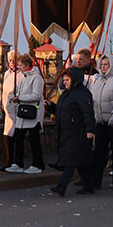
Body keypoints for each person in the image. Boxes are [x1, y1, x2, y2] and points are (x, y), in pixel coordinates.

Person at [47, 68, 96, 197]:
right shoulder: (66, 93)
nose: (65, 82)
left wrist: (90, 130)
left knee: (71, 161)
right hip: (67, 131)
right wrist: (50, 107)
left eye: (67, 80)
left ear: (74, 79)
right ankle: (89, 186)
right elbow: (61, 110)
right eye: (64, 80)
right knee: (81, 162)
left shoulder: (82, 93)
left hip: (78, 131)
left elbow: (88, 112)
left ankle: (61, 186)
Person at [89, 55, 113, 188]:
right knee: (98, 152)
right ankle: (95, 181)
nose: (103, 67)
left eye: (106, 65)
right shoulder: (97, 80)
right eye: (102, 64)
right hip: (100, 122)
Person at [7, 55, 46, 174]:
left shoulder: (37, 78)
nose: (19, 67)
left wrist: (20, 98)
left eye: (20, 65)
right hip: (23, 113)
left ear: (27, 65)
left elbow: (36, 95)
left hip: (33, 113)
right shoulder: (24, 78)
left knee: (34, 139)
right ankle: (18, 163)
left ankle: (37, 164)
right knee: (18, 137)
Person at [0, 51, 18, 172]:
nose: (12, 62)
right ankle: (8, 161)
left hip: (17, 108)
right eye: (10, 60)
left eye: (14, 60)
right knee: (7, 136)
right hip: (8, 108)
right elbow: (4, 90)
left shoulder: (20, 74)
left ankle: (15, 161)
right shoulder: (6, 74)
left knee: (15, 136)